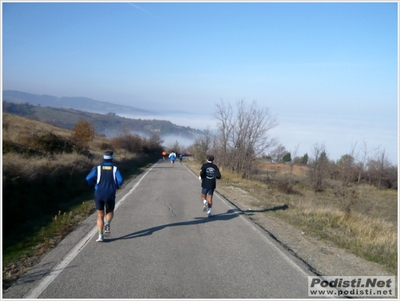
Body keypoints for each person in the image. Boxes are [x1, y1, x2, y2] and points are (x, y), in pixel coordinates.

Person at [86, 150, 124, 242]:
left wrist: (94, 184)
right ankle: (108, 223)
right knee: (109, 211)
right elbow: (120, 180)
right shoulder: (115, 168)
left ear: (103, 157)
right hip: (110, 193)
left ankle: (100, 236)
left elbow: (88, 178)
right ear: (112, 157)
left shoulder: (98, 167)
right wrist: (116, 186)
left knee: (100, 215)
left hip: (99, 193)